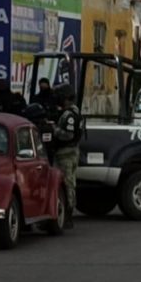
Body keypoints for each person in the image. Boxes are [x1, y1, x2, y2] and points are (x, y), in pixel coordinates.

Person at [52, 84, 82, 229]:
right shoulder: (72, 112)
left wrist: (54, 129)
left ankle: (67, 215)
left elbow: (68, 135)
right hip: (70, 152)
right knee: (70, 183)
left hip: (66, 153)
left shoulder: (69, 115)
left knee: (67, 184)